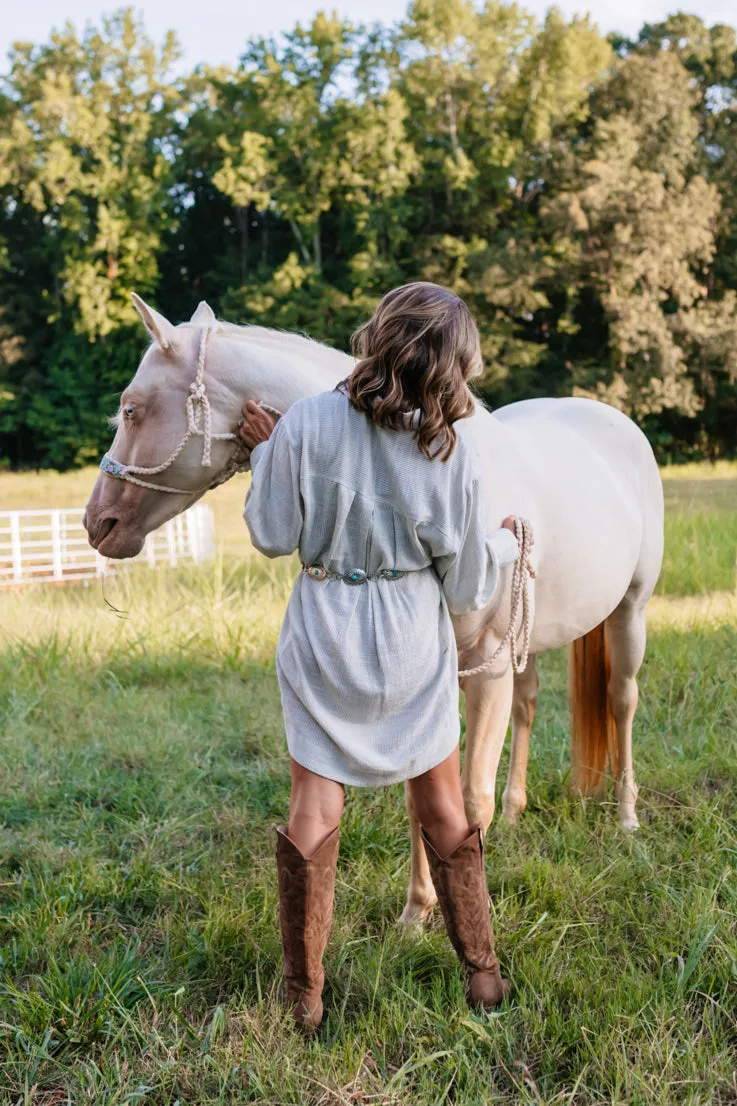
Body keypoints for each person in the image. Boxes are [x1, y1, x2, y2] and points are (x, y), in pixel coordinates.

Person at [238, 282, 520, 1033]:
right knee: (442, 804)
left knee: (313, 805)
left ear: (376, 335)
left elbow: (270, 533)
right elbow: (464, 584)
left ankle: (304, 997)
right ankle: (483, 977)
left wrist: (271, 453)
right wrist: (503, 544)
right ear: (453, 363)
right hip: (408, 637)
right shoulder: (449, 449)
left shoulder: (304, 425)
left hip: (324, 628)